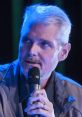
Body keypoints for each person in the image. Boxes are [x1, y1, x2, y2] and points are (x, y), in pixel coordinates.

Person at [0, 4, 82, 117]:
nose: (32, 50)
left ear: (63, 52)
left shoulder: (79, 98)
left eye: (44, 44)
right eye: (27, 41)